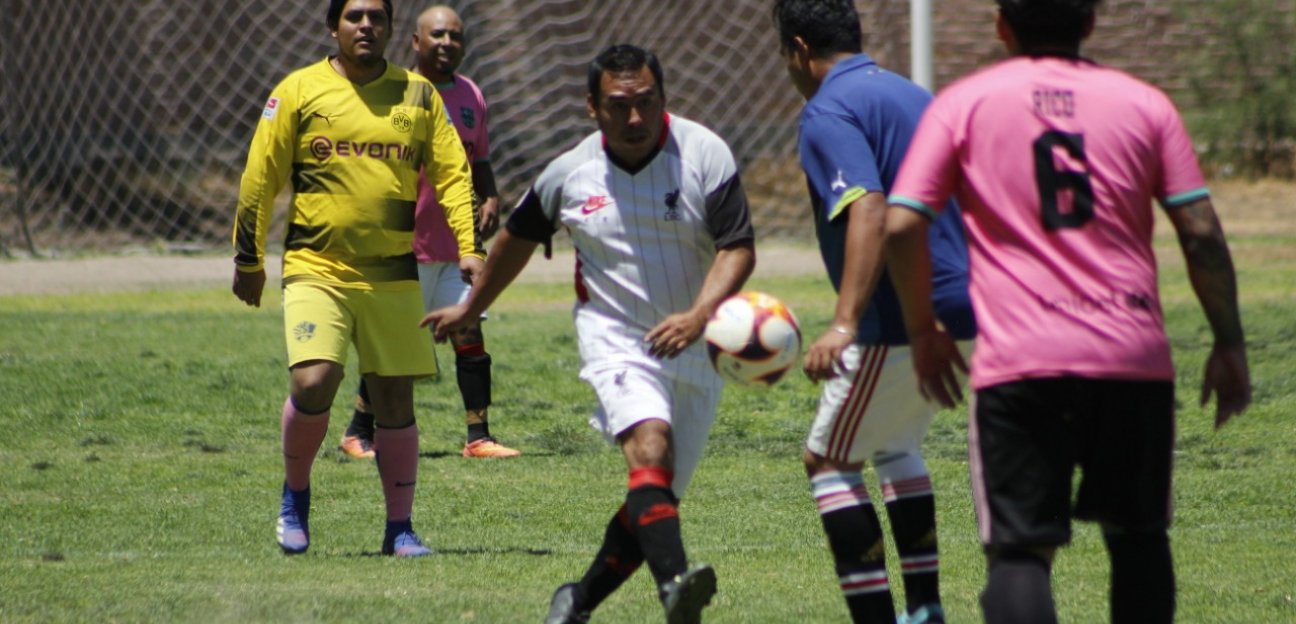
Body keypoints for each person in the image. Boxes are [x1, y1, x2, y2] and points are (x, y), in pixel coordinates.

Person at [883, 1, 1252, 622]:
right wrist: (1229, 342)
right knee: (1138, 537)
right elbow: (1201, 232)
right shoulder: (1144, 103)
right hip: (1130, 358)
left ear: (1001, 24)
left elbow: (899, 225)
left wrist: (924, 329)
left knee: (1021, 552)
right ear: (1090, 22)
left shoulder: (964, 104)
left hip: (1021, 363)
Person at [425, 44, 756, 624]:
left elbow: (738, 248)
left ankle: (575, 603)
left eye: (646, 103)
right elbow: (516, 241)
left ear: (664, 100)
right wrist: (470, 307)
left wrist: (700, 316)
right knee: (649, 447)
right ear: (591, 107)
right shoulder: (570, 173)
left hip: (695, 343)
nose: (635, 118)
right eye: (619, 105)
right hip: (617, 339)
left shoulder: (705, 153)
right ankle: (676, 584)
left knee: (655, 500)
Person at [232, 0, 483, 557]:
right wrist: (247, 258)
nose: (365, 25)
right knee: (313, 381)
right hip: (315, 266)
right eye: (353, 16)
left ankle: (400, 529)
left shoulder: (418, 95)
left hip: (394, 273)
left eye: (376, 17)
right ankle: (295, 497)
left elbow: (452, 173)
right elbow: (260, 174)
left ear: (393, 29)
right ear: (332, 26)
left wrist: (471, 246)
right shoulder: (297, 91)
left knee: (394, 398)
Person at [771, 1, 975, 623]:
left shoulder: (829, 109)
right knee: (894, 445)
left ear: (800, 48)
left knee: (828, 460)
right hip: (967, 307)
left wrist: (843, 322)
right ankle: (924, 612)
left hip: (901, 314)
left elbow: (868, 208)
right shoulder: (912, 95)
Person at [340, 4, 520, 461]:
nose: (446, 44)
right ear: (415, 41)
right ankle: (358, 431)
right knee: (395, 344)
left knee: (469, 331)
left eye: (455, 37)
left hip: (457, 245)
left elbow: (478, 157)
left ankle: (478, 436)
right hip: (405, 245)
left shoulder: (471, 94)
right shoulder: (394, 92)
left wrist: (491, 196)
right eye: (437, 35)